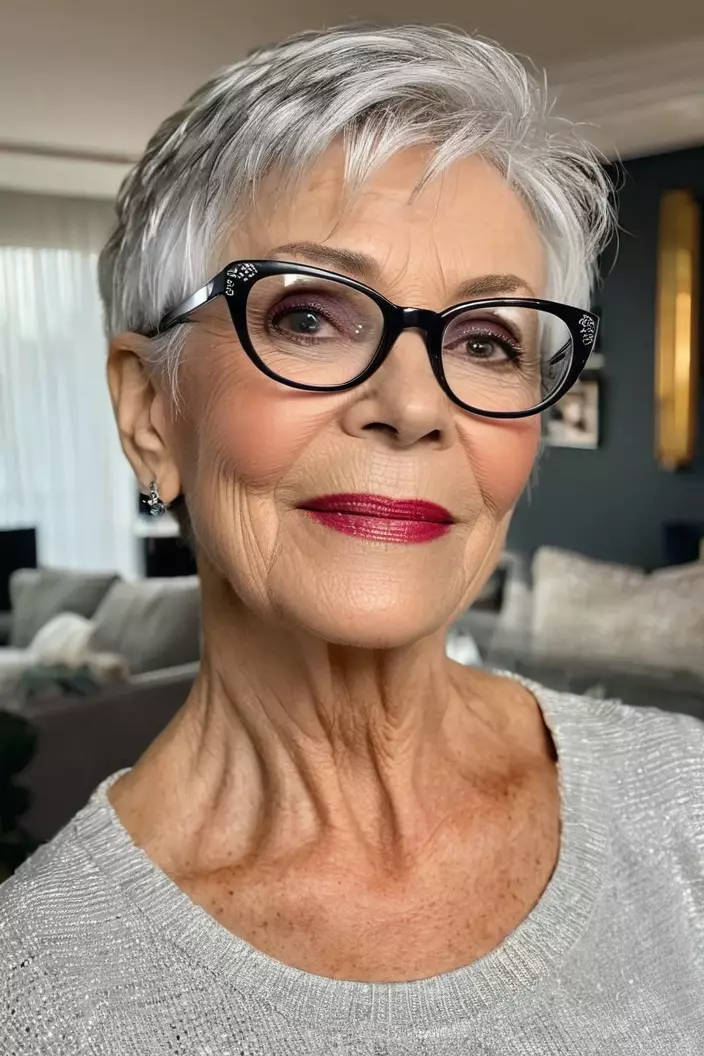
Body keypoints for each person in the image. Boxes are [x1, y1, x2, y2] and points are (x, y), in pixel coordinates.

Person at [2, 23, 703, 1055]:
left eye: (484, 339)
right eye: (307, 317)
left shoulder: (684, 806)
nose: (412, 404)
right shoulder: (35, 991)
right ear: (150, 413)